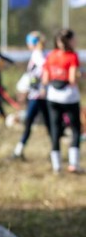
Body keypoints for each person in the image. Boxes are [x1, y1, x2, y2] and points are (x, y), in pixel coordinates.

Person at [42, 28, 82, 174]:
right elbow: (72, 79)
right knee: (75, 129)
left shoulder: (50, 55)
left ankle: (57, 166)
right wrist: (79, 75)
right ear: (70, 40)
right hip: (69, 96)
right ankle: (73, 164)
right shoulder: (72, 56)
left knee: (55, 129)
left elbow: (45, 79)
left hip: (53, 95)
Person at [10, 31, 51, 160]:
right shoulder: (44, 53)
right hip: (40, 94)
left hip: (37, 95)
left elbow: (45, 69)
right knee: (48, 123)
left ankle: (18, 151)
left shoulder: (38, 54)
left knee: (30, 122)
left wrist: (42, 86)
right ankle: (55, 150)